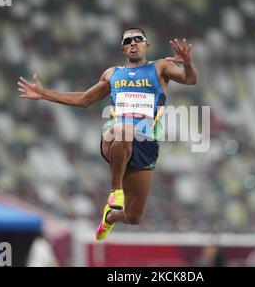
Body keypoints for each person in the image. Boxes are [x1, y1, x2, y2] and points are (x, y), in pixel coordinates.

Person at [17, 27, 197, 241]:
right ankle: (115, 192)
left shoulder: (161, 68)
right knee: (125, 130)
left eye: (138, 39)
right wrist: (44, 93)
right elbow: (84, 99)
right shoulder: (112, 74)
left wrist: (187, 63)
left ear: (146, 46)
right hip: (114, 137)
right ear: (123, 48)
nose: (133, 43)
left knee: (133, 217)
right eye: (128, 40)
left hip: (146, 143)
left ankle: (110, 217)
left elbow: (189, 79)